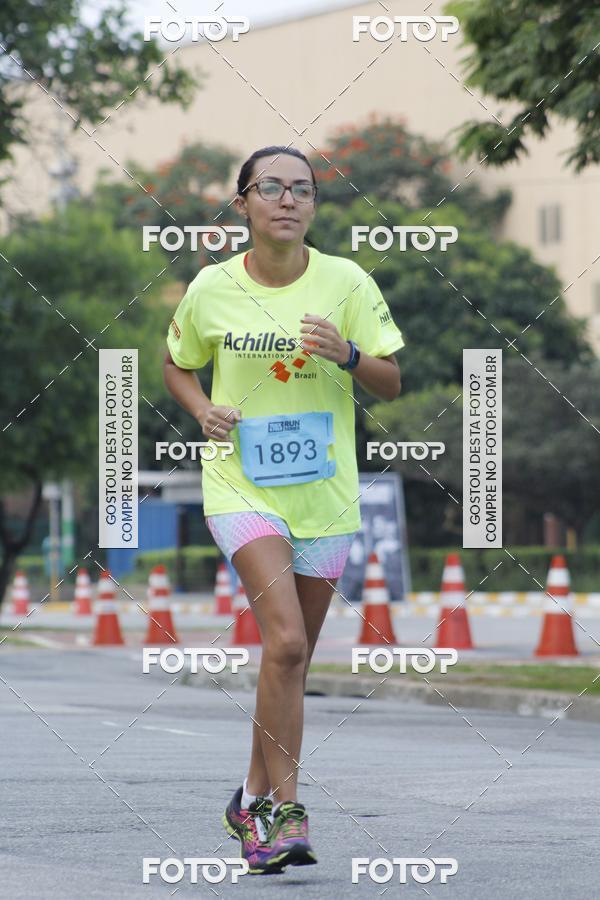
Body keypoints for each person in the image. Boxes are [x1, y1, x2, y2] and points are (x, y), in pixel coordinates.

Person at [163, 145, 405, 875]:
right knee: (289, 643)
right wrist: (203, 409)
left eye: (303, 189)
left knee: (286, 660)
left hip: (324, 497)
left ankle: (247, 798)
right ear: (243, 204)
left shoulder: (347, 281)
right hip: (242, 488)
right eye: (271, 187)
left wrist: (349, 354)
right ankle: (285, 813)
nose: (288, 200)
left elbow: (392, 380)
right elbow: (177, 362)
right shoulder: (212, 287)